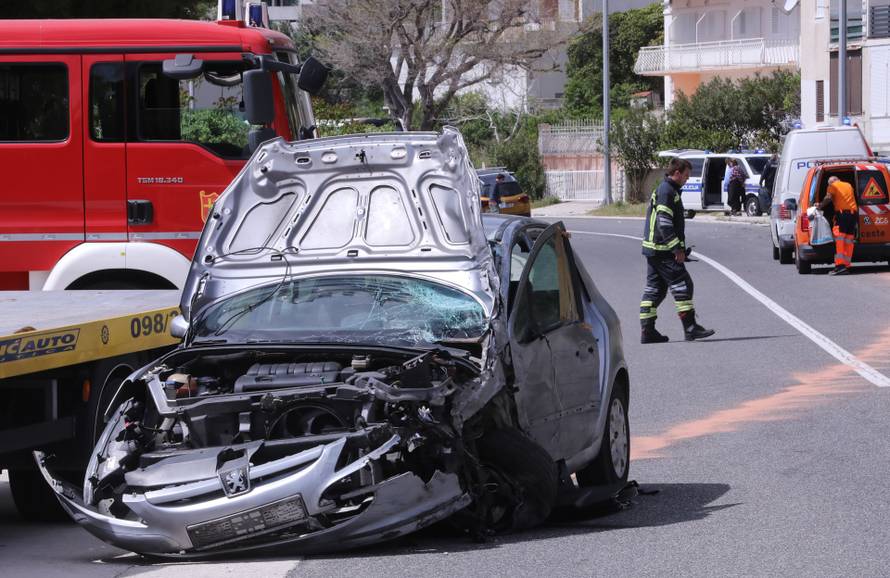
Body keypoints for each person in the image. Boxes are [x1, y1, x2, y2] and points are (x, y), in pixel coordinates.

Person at [640, 157, 716, 343]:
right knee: (683, 284)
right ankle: (690, 328)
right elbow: (664, 223)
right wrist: (676, 249)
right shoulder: (667, 191)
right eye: (686, 176)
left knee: (655, 290)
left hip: (654, 250)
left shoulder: (667, 190)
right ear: (677, 173)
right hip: (663, 250)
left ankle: (647, 332)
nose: (687, 180)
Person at [818, 176, 858, 275]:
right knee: (849, 240)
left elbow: (828, 198)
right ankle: (846, 265)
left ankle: (840, 266)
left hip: (842, 215)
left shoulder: (832, 186)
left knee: (840, 239)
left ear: (831, 182)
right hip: (853, 215)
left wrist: (820, 206)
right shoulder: (848, 185)